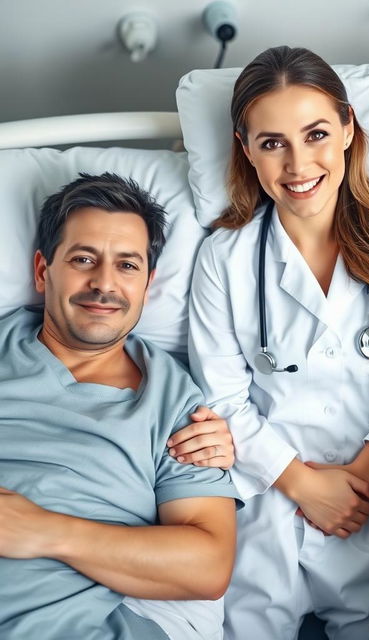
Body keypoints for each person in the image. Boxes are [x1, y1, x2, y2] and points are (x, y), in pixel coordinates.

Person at [187, 46, 369, 639]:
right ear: (246, 149)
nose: (298, 164)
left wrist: (358, 482)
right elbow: (224, 402)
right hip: (270, 491)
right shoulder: (224, 260)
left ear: (349, 128)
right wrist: (304, 485)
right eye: (272, 142)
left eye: (317, 133)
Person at [0, 173, 239, 640]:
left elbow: (208, 566)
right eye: (84, 258)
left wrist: (46, 531)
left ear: (148, 284)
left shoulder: (176, 405)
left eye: (126, 265)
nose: (104, 283)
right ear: (43, 270)